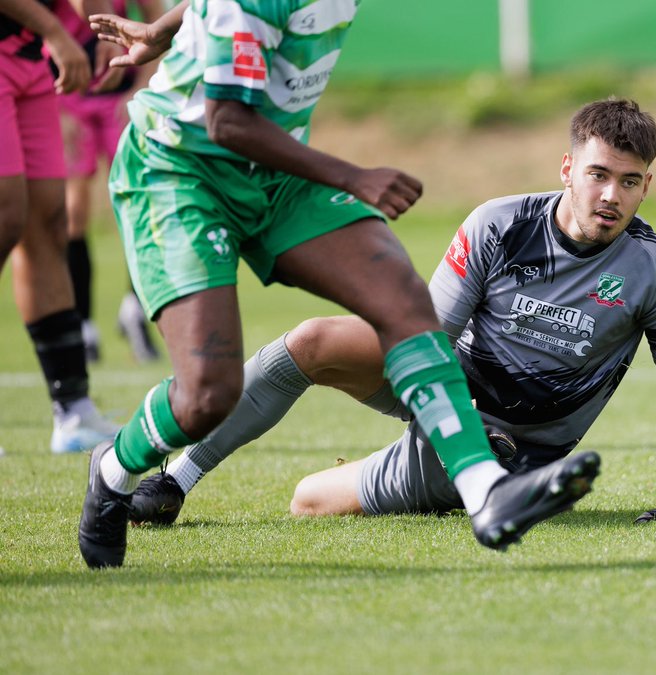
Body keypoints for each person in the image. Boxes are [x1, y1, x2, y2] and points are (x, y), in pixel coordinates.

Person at [77, 0, 599, 569]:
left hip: (275, 176)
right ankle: (114, 468)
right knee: (207, 395)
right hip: (179, 170)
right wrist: (354, 176)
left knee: (402, 301)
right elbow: (225, 120)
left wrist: (163, 27)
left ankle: (485, 493)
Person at [128, 98, 656, 528]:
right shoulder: (499, 224)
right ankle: (176, 479)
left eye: (629, 182)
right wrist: (445, 415)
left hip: (515, 446)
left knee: (306, 499)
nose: (611, 195)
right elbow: (425, 335)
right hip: (446, 389)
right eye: (598, 175)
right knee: (311, 341)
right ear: (567, 169)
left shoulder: (655, 270)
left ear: (646, 186)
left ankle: (488, 479)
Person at [1, 0, 123, 454]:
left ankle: (72, 409)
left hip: (29, 58)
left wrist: (100, 31)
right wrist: (55, 30)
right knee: (5, 214)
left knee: (49, 222)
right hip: (27, 42)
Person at [55, 0, 163, 363]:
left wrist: (144, 87)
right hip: (71, 100)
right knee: (74, 212)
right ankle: (84, 325)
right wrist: (54, 108)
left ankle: (134, 309)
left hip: (121, 98)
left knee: (143, 205)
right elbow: (39, 35)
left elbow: (158, 25)